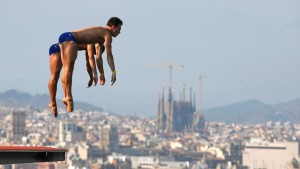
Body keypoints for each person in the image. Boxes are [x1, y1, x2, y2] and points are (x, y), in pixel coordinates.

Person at [58, 17, 123, 112]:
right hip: (70, 39)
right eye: (119, 29)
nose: (119, 32)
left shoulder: (100, 34)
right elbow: (109, 55)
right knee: (68, 69)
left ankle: (65, 96)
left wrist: (101, 74)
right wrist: (113, 71)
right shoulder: (107, 34)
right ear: (113, 27)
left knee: (66, 69)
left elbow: (98, 58)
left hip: (65, 37)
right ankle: (67, 97)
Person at [48, 43, 104, 117]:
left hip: (56, 48)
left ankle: (53, 103)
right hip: (60, 48)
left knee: (55, 76)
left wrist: (91, 77)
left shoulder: (89, 45)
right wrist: (94, 75)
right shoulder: (91, 42)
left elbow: (88, 63)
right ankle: (64, 98)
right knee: (66, 72)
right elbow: (90, 60)